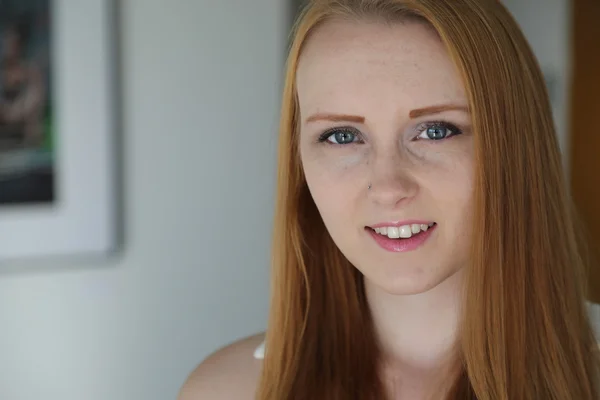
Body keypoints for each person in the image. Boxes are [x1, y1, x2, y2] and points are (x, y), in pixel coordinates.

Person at [179, 0, 600, 398]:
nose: (388, 186)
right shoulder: (225, 391)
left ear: (517, 144)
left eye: (436, 131)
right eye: (342, 136)